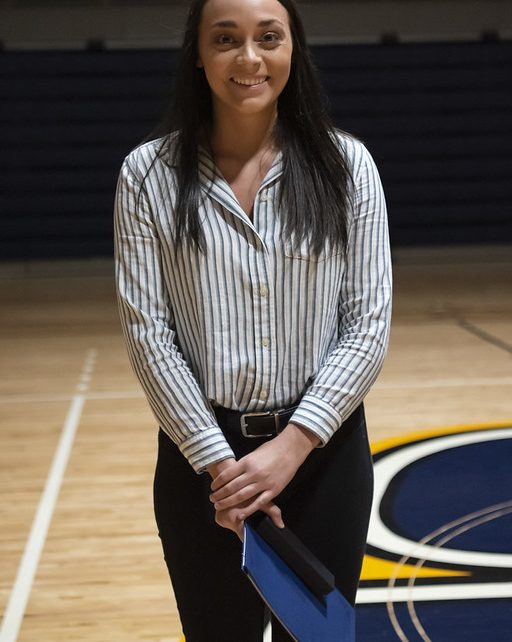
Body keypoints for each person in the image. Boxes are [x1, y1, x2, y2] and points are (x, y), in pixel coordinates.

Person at [114, 0, 392, 639]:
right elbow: (148, 334)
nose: (249, 58)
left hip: (323, 458)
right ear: (199, 53)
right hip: (202, 467)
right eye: (226, 39)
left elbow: (369, 323)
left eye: (269, 37)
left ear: (293, 49)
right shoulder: (147, 177)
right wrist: (224, 471)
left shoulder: (349, 168)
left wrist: (291, 447)